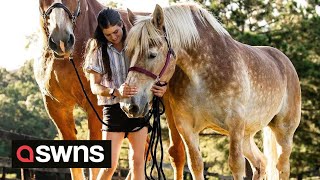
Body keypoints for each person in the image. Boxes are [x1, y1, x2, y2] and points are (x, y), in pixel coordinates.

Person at [83, 8, 167, 180]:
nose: (113, 37)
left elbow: (155, 66)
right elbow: (95, 87)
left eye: (116, 31)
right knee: (108, 166)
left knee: (138, 163)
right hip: (113, 110)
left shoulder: (136, 43)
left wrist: (162, 87)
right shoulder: (98, 51)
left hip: (138, 105)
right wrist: (116, 91)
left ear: (122, 24)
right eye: (108, 35)